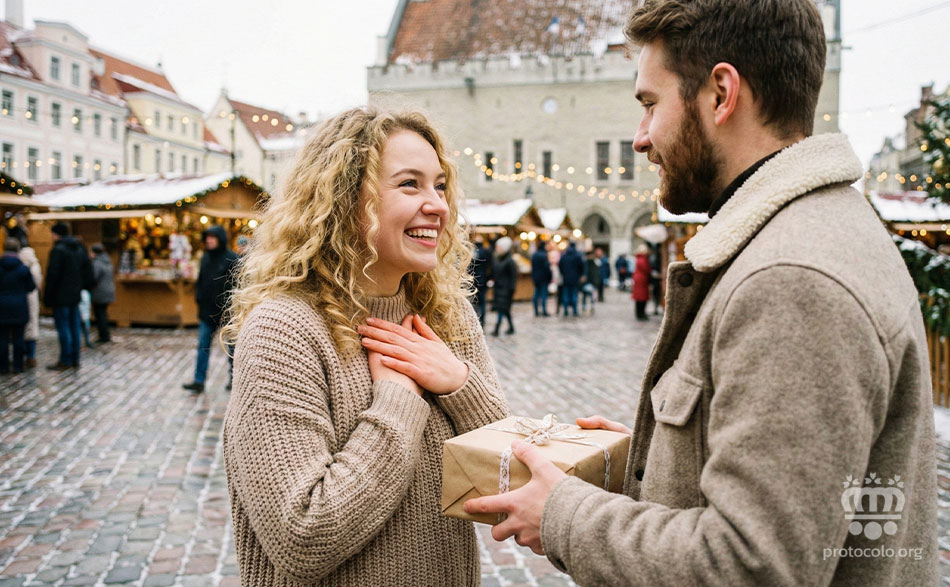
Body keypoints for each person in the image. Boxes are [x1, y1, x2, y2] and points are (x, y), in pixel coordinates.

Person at [464, 1, 938, 584]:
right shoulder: (808, 233)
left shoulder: (791, 279)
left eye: (649, 104)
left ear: (720, 93)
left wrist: (562, 513)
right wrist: (660, 458)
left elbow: (749, 564)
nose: (640, 138)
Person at [220, 107, 509, 586]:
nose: (438, 204)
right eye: (410, 184)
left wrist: (460, 385)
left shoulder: (446, 316)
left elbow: (506, 480)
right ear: (343, 199)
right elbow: (303, 539)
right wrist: (398, 401)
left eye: (439, 185)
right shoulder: (285, 329)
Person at [182, 225, 239, 393]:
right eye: (207, 237)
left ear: (220, 239)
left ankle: (234, 379)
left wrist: (230, 304)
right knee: (203, 346)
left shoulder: (231, 258)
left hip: (227, 312)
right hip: (207, 311)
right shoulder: (205, 258)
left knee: (232, 348)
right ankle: (199, 380)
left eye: (212, 237)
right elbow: (201, 281)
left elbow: (236, 284)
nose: (209, 240)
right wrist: (199, 299)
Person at [44, 222, 93, 370]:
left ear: (56, 234)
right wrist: (82, 287)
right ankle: (75, 358)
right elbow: (87, 271)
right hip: (74, 294)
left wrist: (47, 296)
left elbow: (52, 275)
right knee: (74, 327)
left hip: (61, 296)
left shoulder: (58, 250)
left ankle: (65, 359)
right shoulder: (79, 248)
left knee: (64, 328)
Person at [0, 238, 35, 374]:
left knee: (2, 338)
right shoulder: (23, 269)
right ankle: (18, 366)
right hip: (19, 305)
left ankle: (2, 367)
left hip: (1, 305)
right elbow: (31, 287)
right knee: (18, 338)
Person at [18, 243, 42, 368]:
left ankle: (22, 355)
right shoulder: (36, 266)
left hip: (21, 298)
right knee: (32, 327)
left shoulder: (21, 267)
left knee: (22, 328)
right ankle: (31, 356)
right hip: (33, 299)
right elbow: (38, 283)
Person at [491, 236, 517, 336]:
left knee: (502, 309)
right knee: (505, 310)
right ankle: (511, 327)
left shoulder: (510, 261)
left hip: (505, 290)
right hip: (499, 288)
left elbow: (513, 277)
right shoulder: (498, 259)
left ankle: (497, 328)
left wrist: (511, 290)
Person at [90, 244, 115, 343]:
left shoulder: (97, 263)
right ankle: (105, 334)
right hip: (108, 290)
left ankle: (103, 335)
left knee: (100, 314)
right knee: (103, 313)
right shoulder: (108, 261)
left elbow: (94, 277)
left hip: (100, 291)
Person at [557, 241, 584, 317]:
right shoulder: (577, 256)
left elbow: (560, 266)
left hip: (565, 278)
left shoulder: (564, 256)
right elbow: (581, 267)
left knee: (565, 294)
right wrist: (579, 275)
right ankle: (574, 310)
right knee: (574, 294)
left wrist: (563, 273)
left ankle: (565, 310)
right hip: (575, 279)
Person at [469, 237, 492, 325]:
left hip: (473, 280)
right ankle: (482, 318)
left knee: (474, 301)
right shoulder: (486, 252)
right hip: (483, 280)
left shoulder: (472, 253)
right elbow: (489, 266)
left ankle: (476, 318)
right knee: (482, 301)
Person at [530, 239, 552, 317]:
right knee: (543, 295)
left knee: (536, 294)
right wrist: (550, 277)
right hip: (544, 278)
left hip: (536, 277)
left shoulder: (534, 255)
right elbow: (547, 268)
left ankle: (536, 310)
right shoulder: (544, 255)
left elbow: (532, 267)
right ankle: (544, 310)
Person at [631, 243, 651, 320]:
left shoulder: (639, 258)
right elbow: (646, 269)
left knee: (639, 298)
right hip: (641, 280)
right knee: (642, 298)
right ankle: (641, 314)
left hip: (639, 280)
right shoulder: (642, 259)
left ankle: (639, 313)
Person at [648, 244, 663, 314]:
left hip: (658, 279)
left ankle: (656, 308)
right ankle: (655, 308)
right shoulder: (651, 257)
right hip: (653, 279)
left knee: (658, 294)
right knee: (655, 294)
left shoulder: (659, 256)